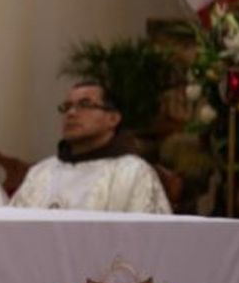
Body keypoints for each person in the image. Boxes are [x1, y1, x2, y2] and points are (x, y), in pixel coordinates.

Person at [11, 80, 172, 214]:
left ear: (113, 119)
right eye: (67, 107)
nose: (71, 113)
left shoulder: (133, 173)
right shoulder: (40, 173)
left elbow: (149, 240)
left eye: (85, 104)